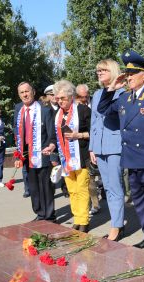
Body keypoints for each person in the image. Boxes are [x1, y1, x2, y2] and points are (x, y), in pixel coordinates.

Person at [98, 49, 144, 252]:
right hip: (131, 158)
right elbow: (103, 109)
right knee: (139, 200)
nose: (129, 77)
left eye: (133, 73)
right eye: (127, 74)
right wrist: (111, 87)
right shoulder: (124, 99)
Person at [89, 59, 126, 241]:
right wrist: (91, 148)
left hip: (114, 145)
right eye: (98, 70)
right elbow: (94, 122)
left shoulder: (122, 93)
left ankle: (116, 226)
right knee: (107, 187)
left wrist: (112, 89)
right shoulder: (97, 94)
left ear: (113, 71)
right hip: (99, 146)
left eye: (103, 70)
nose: (99, 73)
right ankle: (117, 222)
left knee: (114, 187)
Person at [13, 82, 57, 222]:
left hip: (42, 152)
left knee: (45, 186)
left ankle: (49, 216)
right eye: (22, 92)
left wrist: (52, 148)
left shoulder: (45, 110)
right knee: (33, 187)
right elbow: (17, 131)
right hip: (26, 155)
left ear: (33, 92)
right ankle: (39, 213)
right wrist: (18, 154)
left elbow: (51, 133)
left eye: (27, 91)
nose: (25, 94)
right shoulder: (18, 109)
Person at [54, 80, 92, 232]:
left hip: (81, 157)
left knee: (82, 189)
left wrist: (79, 135)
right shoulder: (57, 114)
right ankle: (77, 218)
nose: (60, 101)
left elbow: (93, 133)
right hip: (66, 159)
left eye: (62, 98)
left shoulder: (83, 110)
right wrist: (51, 146)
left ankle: (84, 221)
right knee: (72, 190)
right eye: (57, 98)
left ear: (71, 97)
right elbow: (53, 136)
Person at [77, 84, 100, 215]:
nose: (84, 99)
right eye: (81, 97)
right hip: (84, 148)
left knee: (98, 177)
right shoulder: (77, 108)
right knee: (89, 179)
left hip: (98, 146)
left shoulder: (95, 103)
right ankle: (94, 204)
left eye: (86, 96)